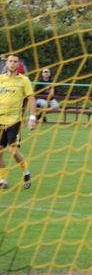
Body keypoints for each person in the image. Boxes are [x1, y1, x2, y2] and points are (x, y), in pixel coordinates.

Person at [0, 53, 36, 190]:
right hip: (0, 120)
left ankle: (26, 173)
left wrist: (32, 118)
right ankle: (3, 180)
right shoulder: (1, 79)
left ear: (19, 64)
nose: (12, 63)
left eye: (15, 61)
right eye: (10, 61)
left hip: (15, 121)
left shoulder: (23, 80)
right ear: (6, 63)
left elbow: (31, 98)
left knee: (13, 152)